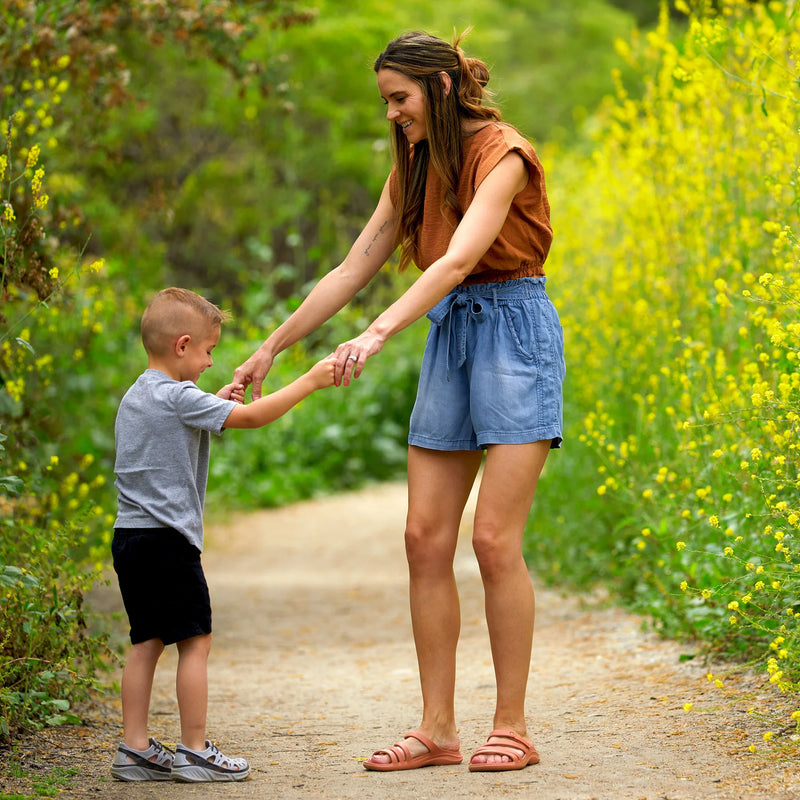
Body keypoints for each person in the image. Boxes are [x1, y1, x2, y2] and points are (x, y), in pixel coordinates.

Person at [234, 30, 565, 773]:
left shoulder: (504, 154)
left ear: (441, 89)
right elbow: (356, 264)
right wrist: (273, 346)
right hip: (450, 337)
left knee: (492, 542)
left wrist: (379, 334)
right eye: (385, 101)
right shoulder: (412, 168)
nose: (391, 114)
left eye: (400, 99)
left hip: (515, 332)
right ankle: (438, 730)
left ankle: (510, 726)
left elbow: (455, 260)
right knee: (422, 538)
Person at [110, 287, 336, 782]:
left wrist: (213, 403)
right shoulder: (179, 396)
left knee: (146, 641)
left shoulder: (138, 394)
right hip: (169, 541)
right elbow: (253, 417)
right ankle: (194, 750)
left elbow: (173, 425)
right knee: (195, 641)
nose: (212, 361)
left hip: (130, 538)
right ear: (183, 345)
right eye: (209, 350)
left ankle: (135, 748)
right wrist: (311, 381)